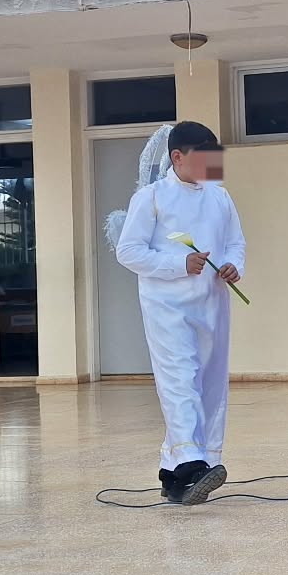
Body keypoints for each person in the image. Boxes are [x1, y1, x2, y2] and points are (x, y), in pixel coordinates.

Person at [112, 121, 245, 505]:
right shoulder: (152, 197)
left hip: (212, 303)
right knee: (180, 380)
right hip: (167, 306)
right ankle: (191, 464)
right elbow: (128, 251)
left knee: (209, 383)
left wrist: (234, 265)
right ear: (177, 157)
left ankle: (175, 472)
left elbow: (236, 243)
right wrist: (178, 263)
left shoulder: (220, 197)